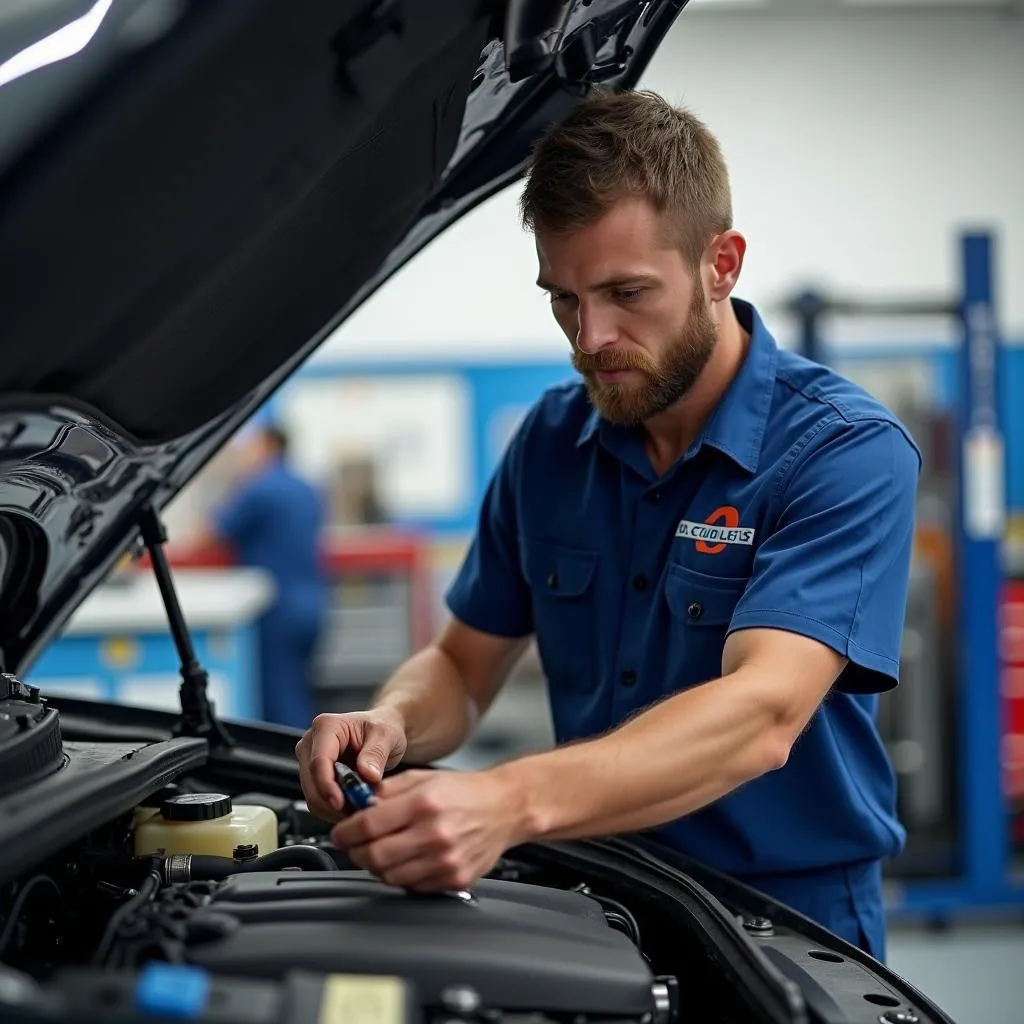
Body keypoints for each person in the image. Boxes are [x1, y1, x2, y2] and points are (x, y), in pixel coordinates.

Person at [294, 90, 921, 961]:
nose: (591, 338)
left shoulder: (843, 453)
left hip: (788, 925)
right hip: (604, 898)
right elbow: (461, 666)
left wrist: (508, 802)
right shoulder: (550, 443)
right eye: (563, 299)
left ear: (721, 264)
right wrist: (392, 722)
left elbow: (762, 713)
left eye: (628, 293)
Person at [207, 422, 328, 730]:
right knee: (298, 694)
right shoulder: (307, 487)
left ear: (269, 446)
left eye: (251, 447)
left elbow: (214, 533)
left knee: (278, 705)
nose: (245, 455)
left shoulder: (259, 489)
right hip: (312, 605)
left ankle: (293, 773)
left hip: (276, 611)